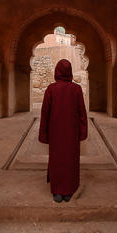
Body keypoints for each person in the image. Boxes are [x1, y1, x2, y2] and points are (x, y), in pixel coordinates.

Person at [38, 59, 88, 203]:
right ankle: (68, 191)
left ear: (57, 71)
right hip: (71, 133)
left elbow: (45, 114)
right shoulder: (76, 89)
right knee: (70, 159)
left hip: (56, 133)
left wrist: (44, 134)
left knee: (57, 158)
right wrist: (82, 132)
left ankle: (57, 192)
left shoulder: (51, 89)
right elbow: (82, 113)